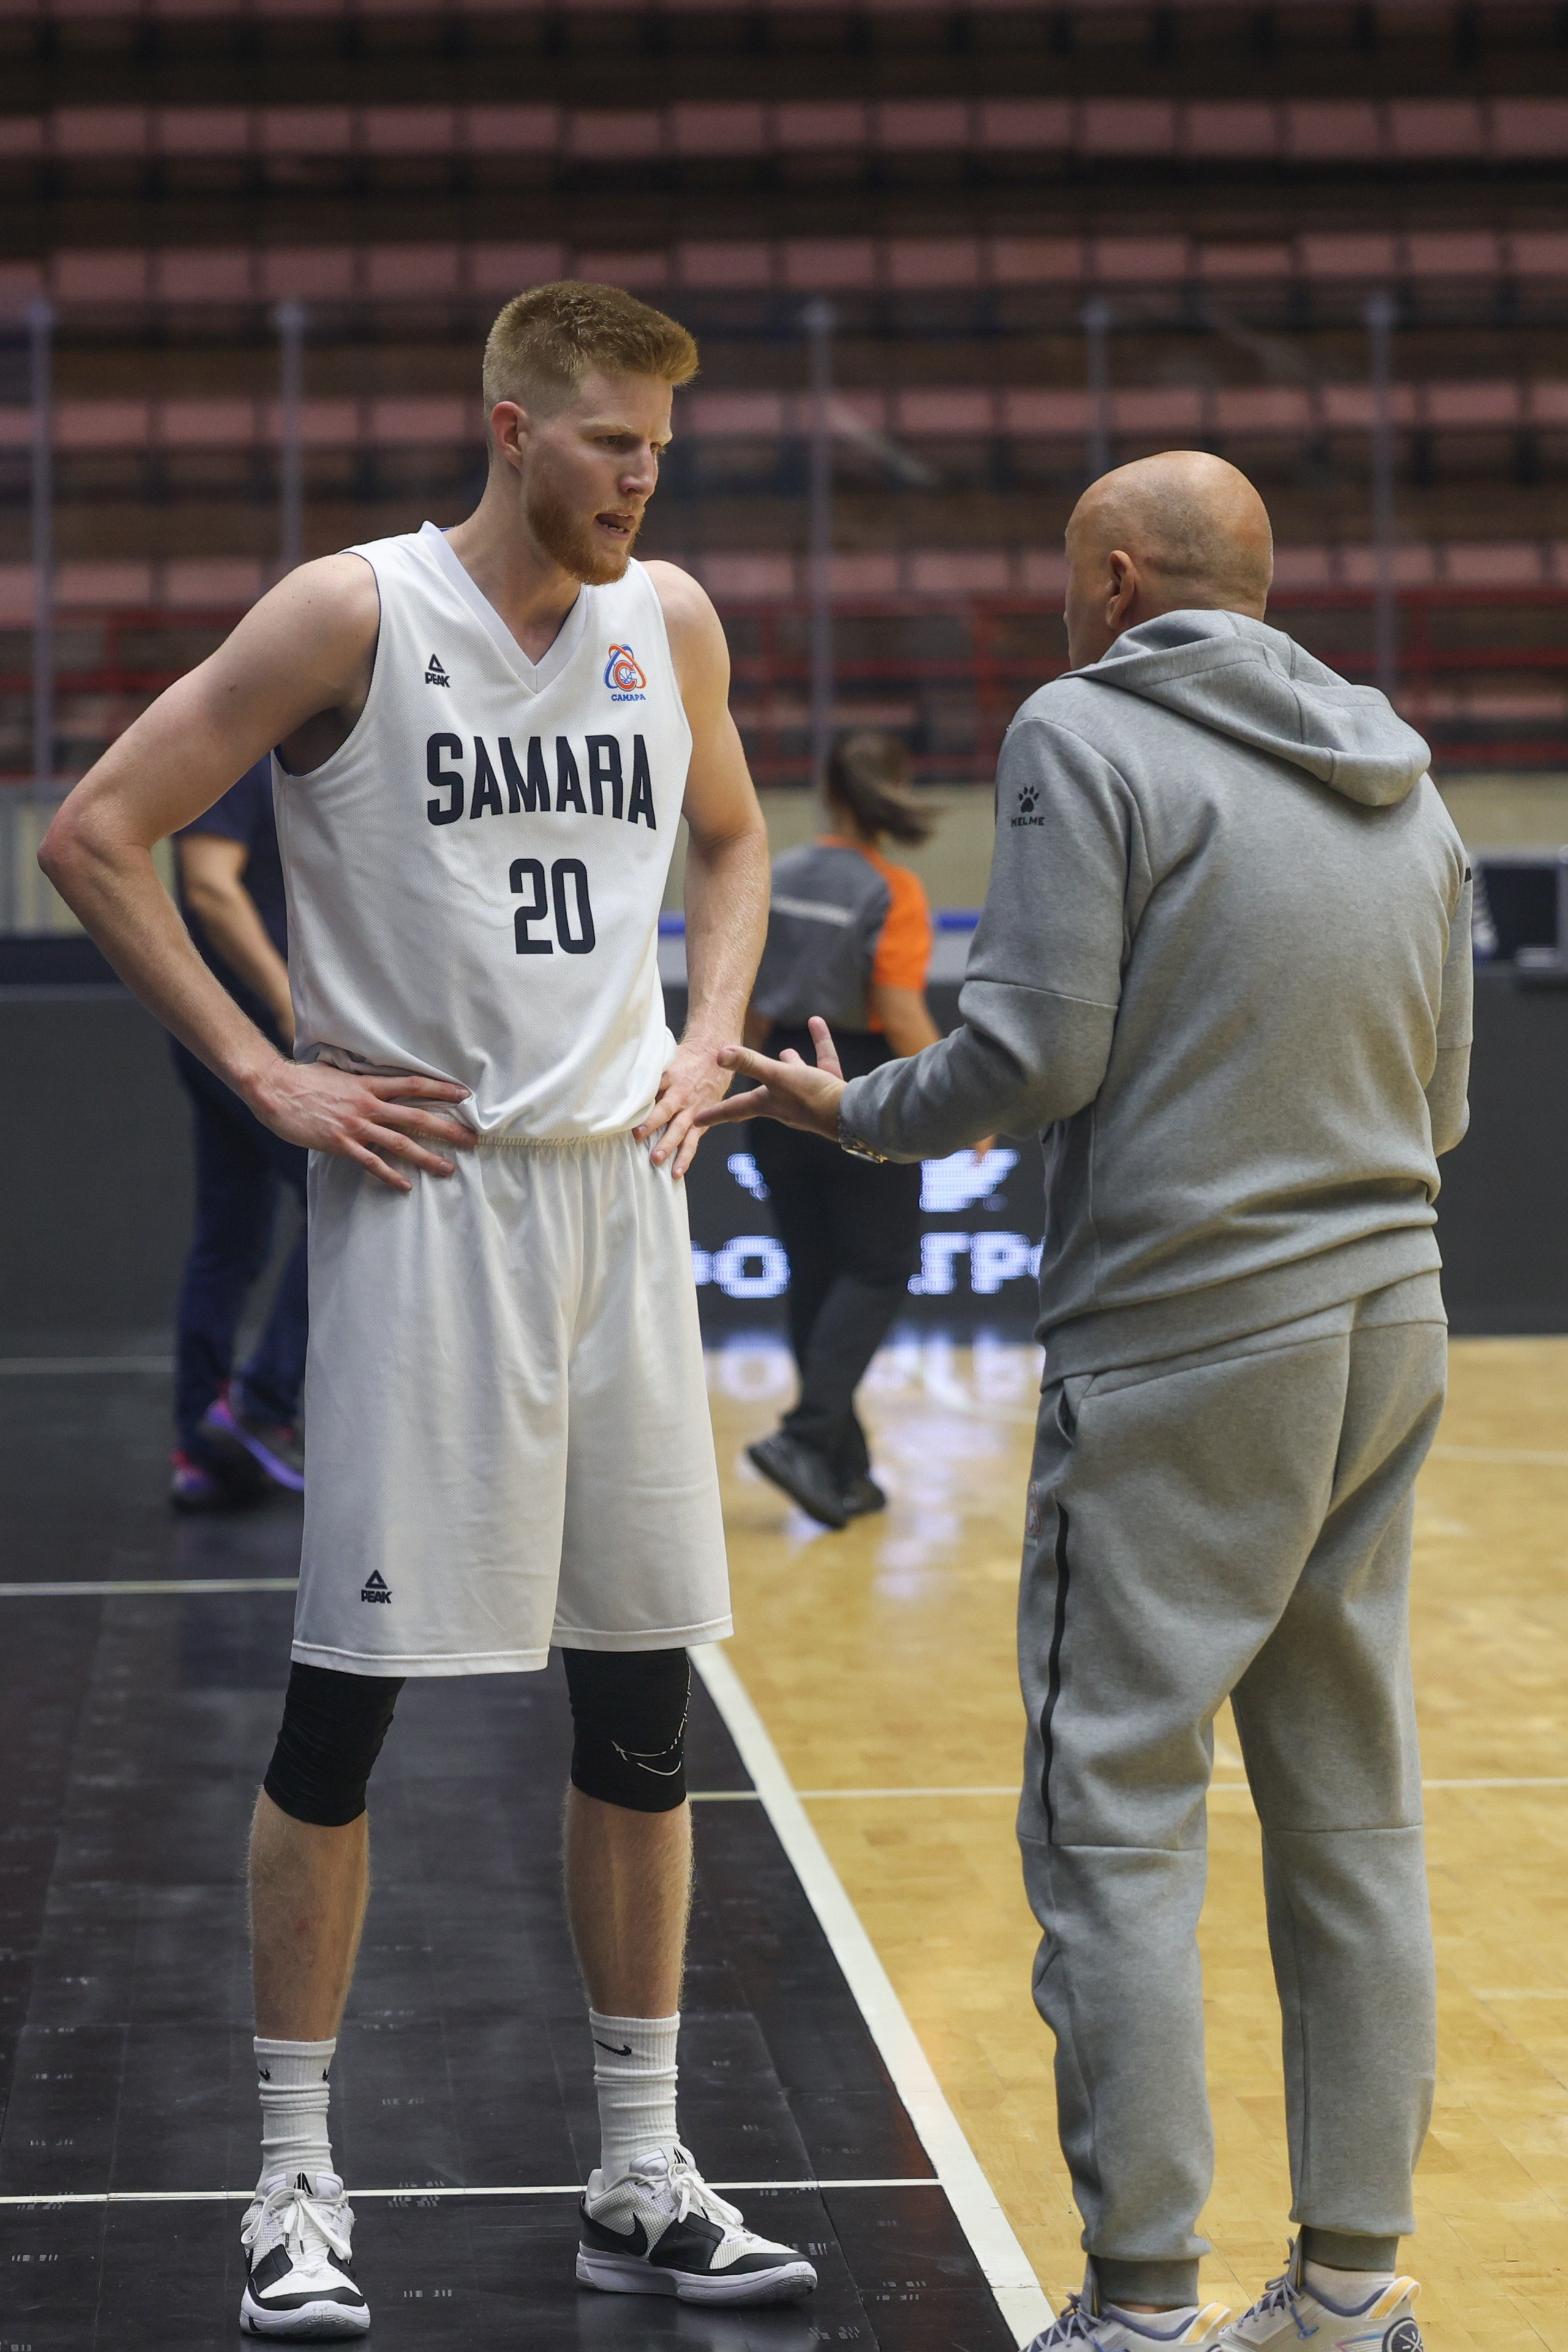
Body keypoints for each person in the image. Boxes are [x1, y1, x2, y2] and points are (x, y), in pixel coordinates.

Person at [41, 280, 820, 2334]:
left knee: (644, 1715)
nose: (643, 478)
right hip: (431, 1212)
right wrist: (267, 1067)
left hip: (617, 1211)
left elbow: (738, 847)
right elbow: (96, 833)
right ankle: (294, 2181)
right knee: (345, 1716)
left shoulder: (681, 624)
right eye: (611, 444)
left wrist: (709, 1030)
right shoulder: (351, 613)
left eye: (663, 445)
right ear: (510, 429)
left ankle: (640, 2168)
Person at [698, 450, 1469, 2352]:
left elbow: (1028, 1054)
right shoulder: (1404, 766)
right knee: (1349, 1812)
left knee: (1112, 1810)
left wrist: (840, 1109)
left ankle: (1140, 2304)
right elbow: (1443, 1102)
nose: (1059, 618)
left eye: (1067, 586)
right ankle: (1352, 2288)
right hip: (1389, 1321)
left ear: (1118, 582)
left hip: (1186, 1349)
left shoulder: (1081, 727)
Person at [744, 728, 947, 1529]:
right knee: (883, 1266)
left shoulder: (777, 876)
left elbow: (754, 1002)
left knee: (817, 1276)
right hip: (859, 1090)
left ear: (828, 793)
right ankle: (802, 1438)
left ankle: (845, 1471)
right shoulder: (891, 889)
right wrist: (959, 1101)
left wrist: (733, 1083)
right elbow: (900, 1016)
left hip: (780, 1084)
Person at [169, 760, 309, 1510]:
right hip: (248, 1029)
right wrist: (289, 1009)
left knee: (229, 1240)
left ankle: (201, 1443)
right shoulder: (231, 757)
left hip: (239, 1027)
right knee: (353, 1200)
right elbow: (209, 888)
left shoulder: (297, 760)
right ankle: (259, 1406)